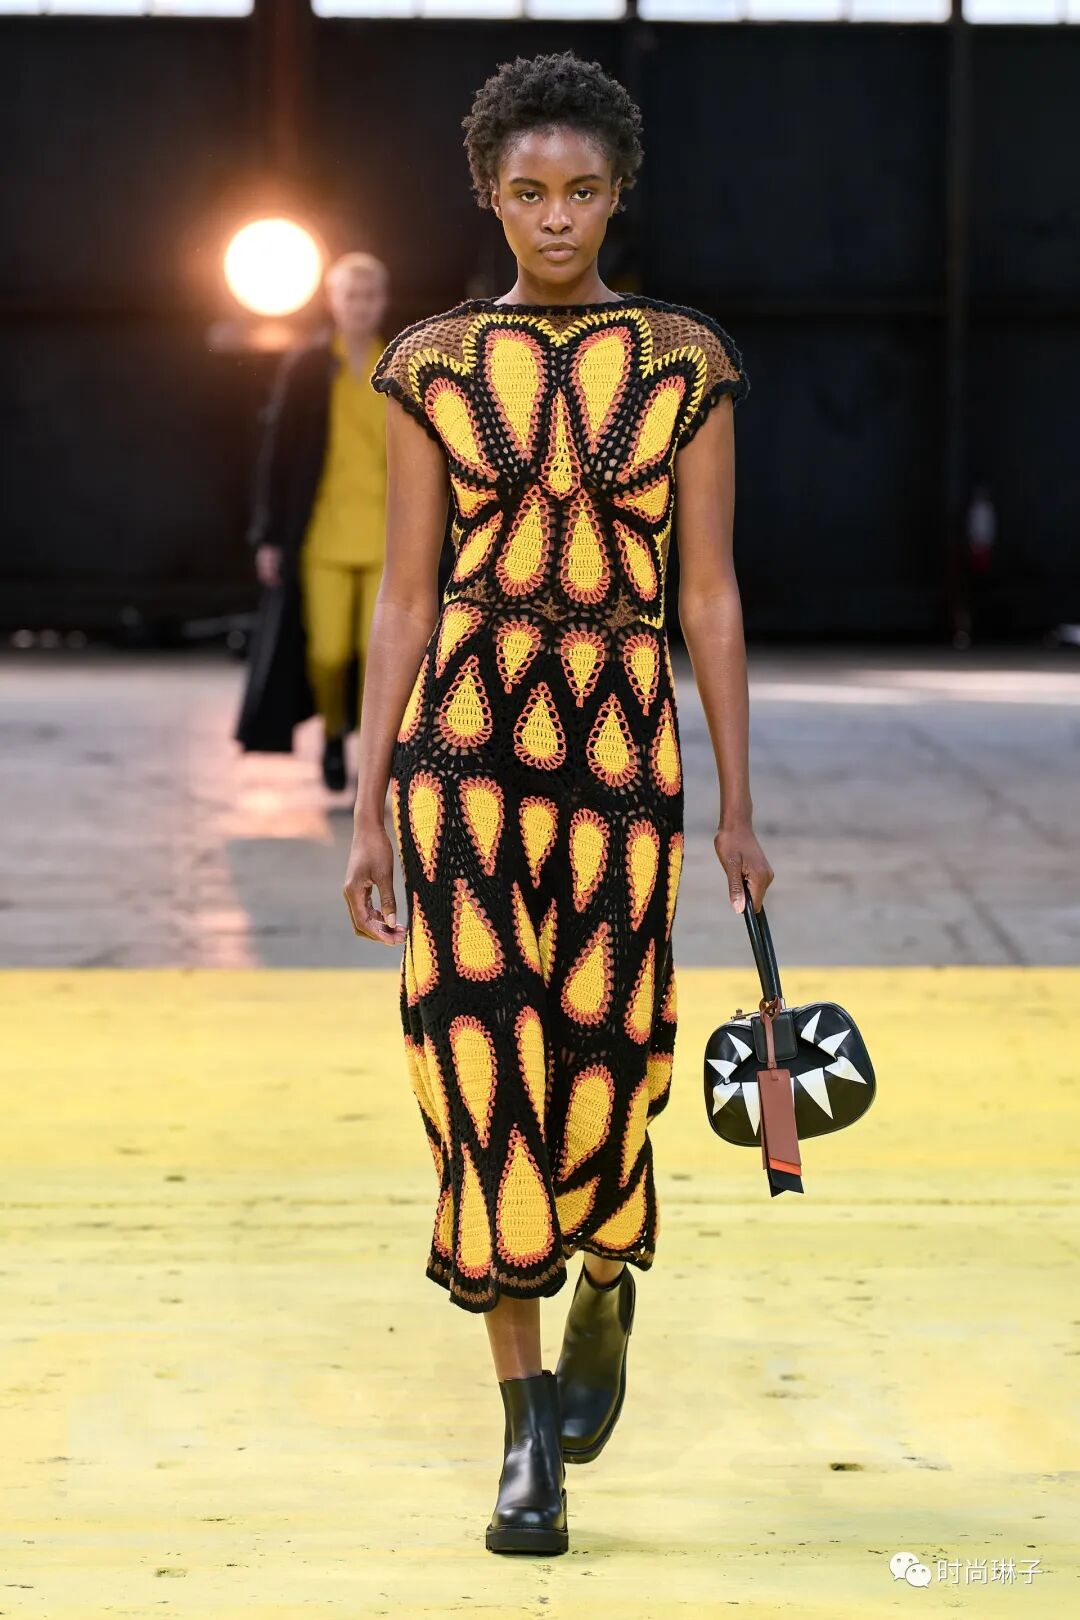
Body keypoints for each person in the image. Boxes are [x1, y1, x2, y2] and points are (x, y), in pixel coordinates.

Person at [342, 50, 774, 1555]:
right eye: (528, 192)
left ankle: (603, 1277)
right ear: (487, 193)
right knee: (482, 1071)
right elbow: (406, 599)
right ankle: (524, 1434)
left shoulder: (683, 363)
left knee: (603, 1054)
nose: (556, 219)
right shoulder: (430, 365)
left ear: (618, 193)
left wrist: (737, 804)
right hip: (464, 750)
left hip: (618, 752)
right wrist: (367, 800)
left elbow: (709, 597)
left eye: (582, 191)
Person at [235, 252, 390, 790]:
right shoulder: (307, 366)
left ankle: (372, 756)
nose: (360, 306)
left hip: (385, 535)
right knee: (327, 652)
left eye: (369, 296)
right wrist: (269, 535)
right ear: (333, 301)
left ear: (382, 302)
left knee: (376, 653)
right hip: (322, 534)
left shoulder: (398, 363)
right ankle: (332, 732)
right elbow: (277, 454)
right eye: (351, 296)